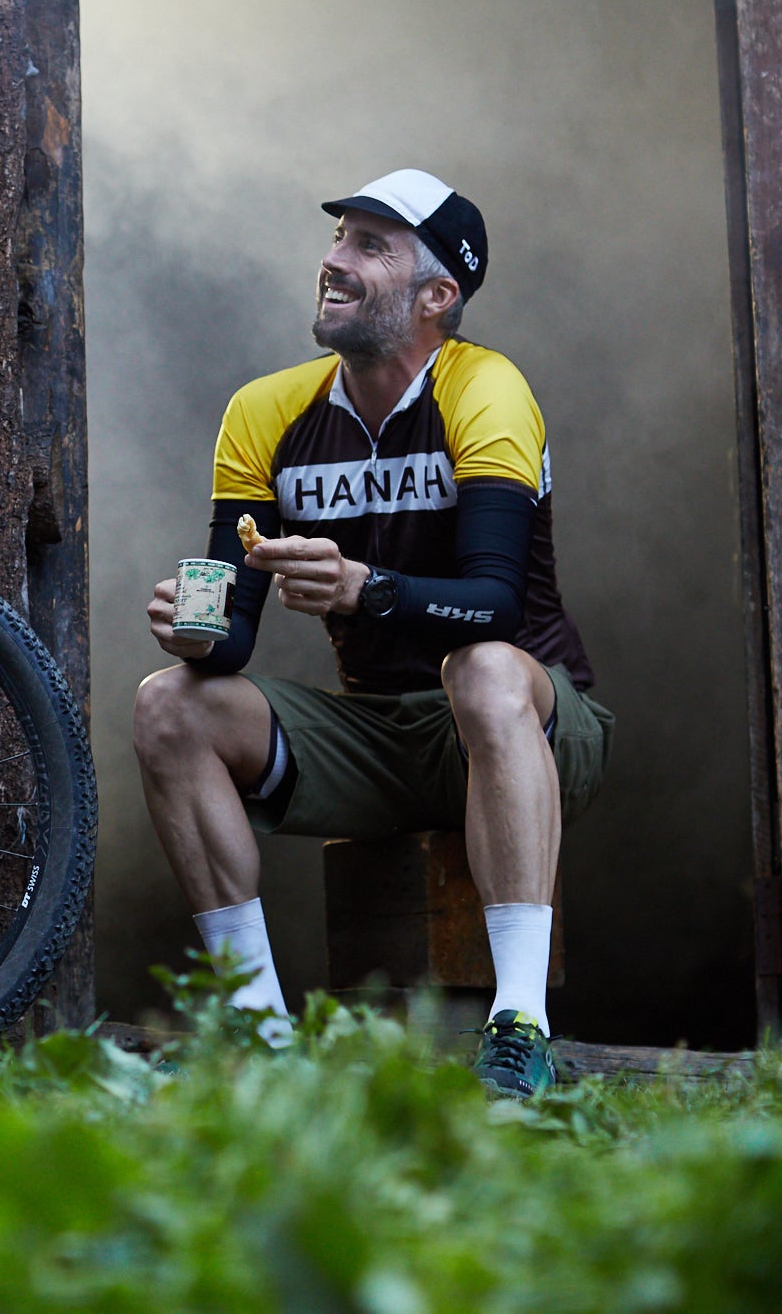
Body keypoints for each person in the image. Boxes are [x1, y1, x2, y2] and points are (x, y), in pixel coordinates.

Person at [135, 170, 609, 1098]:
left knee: (482, 668)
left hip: (533, 719)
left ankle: (520, 1029)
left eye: (369, 245)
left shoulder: (487, 388)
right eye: (337, 238)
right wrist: (195, 634)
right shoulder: (264, 409)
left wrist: (368, 587)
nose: (332, 261)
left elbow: (498, 604)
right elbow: (230, 637)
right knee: (168, 710)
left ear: (439, 297)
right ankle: (258, 1035)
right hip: (378, 737)